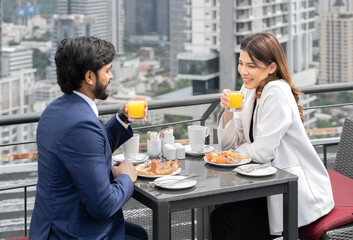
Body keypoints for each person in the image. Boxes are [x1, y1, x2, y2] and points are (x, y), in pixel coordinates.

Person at [211, 32, 334, 239]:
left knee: (227, 221)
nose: (243, 71)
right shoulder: (248, 88)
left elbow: (261, 152)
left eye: (251, 65)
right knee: (223, 217)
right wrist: (228, 109)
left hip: (293, 191)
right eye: (241, 63)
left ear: (271, 67)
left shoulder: (277, 91)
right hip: (264, 183)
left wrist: (233, 154)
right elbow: (228, 143)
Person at [29, 36, 148, 240]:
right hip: (72, 232)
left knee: (138, 234)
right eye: (107, 70)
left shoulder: (55, 110)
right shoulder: (81, 124)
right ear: (90, 77)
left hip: (54, 224)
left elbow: (87, 153)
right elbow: (103, 206)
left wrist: (122, 118)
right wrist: (128, 176)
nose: (111, 76)